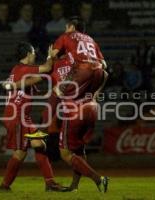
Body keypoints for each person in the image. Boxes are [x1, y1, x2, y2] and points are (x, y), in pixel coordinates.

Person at [0, 42, 67, 192]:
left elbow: (34, 81)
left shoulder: (18, 70)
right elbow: (47, 69)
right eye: (33, 52)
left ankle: (50, 183)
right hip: (17, 117)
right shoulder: (23, 69)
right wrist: (50, 56)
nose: (35, 55)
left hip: (22, 117)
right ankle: (5, 186)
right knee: (20, 152)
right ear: (28, 54)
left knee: (40, 145)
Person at [50, 16, 109, 192]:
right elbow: (104, 69)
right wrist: (96, 93)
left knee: (66, 153)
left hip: (73, 109)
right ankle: (74, 186)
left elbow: (52, 59)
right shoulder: (90, 44)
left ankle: (99, 179)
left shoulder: (64, 49)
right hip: (91, 107)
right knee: (79, 149)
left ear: (71, 27)